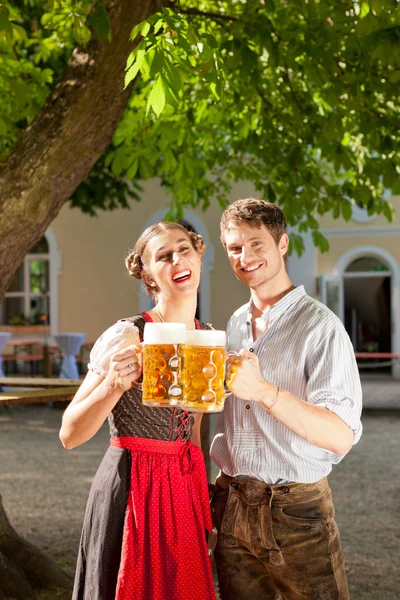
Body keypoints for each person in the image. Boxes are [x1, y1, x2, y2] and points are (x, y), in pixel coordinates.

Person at [210, 198, 362, 600]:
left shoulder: (321, 328)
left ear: (282, 244)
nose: (245, 257)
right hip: (232, 501)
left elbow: (340, 436)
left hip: (296, 511)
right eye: (234, 248)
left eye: (256, 243)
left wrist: (265, 392)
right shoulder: (235, 323)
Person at [59, 221, 216, 600]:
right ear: (147, 273)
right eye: (163, 256)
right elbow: (69, 433)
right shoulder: (129, 333)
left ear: (198, 255)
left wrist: (203, 500)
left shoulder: (206, 335)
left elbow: (192, 430)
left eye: (184, 248)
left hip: (182, 488)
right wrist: (113, 385)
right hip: (132, 486)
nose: (177, 259)